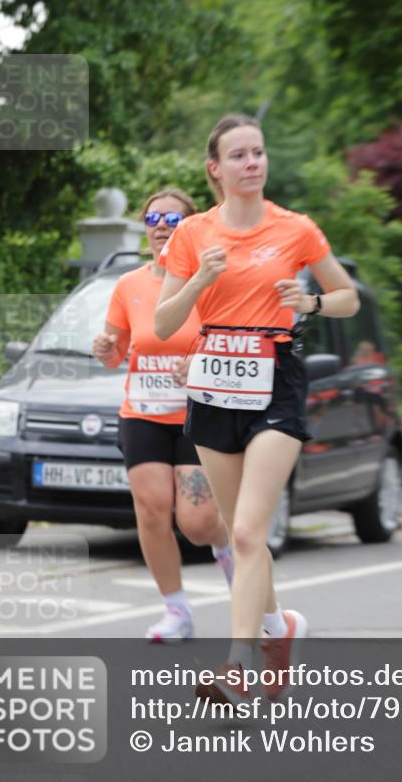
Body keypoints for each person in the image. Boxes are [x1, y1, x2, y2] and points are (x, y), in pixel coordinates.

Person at [154, 113, 359, 701]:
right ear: (215, 169)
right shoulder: (193, 233)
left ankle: (237, 666)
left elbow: (346, 296)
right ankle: (278, 625)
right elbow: (164, 323)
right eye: (239, 155)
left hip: (276, 381)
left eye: (258, 152)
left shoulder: (296, 228)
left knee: (246, 530)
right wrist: (198, 282)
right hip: (214, 384)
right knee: (239, 536)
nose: (252, 163)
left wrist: (311, 303)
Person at [93, 187, 232, 642]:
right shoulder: (129, 285)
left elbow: (235, 343)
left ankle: (230, 546)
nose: (161, 228)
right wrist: (105, 349)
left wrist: (203, 362)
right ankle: (176, 611)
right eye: (153, 219)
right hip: (143, 413)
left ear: (191, 228)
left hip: (198, 413)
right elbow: (116, 352)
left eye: (173, 220)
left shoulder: (210, 282)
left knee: (196, 522)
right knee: (152, 512)